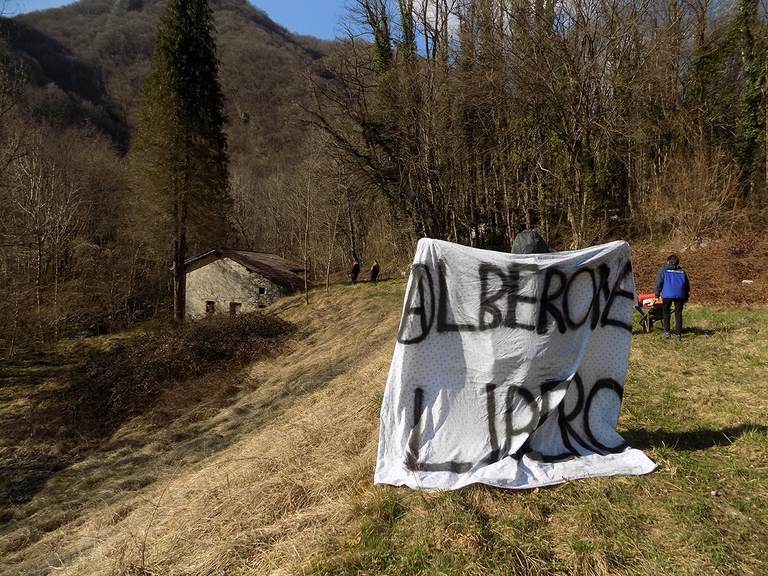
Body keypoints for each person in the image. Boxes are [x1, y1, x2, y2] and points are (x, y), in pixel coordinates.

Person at [654, 254, 690, 341]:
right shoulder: (682, 271)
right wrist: (686, 296)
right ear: (677, 262)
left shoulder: (664, 269)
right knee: (678, 314)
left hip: (667, 294)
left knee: (666, 312)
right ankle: (678, 335)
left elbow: (659, 282)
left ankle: (667, 332)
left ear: (668, 261)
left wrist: (657, 295)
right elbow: (687, 286)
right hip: (680, 294)